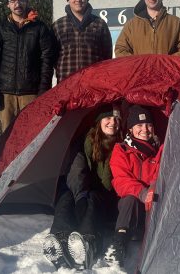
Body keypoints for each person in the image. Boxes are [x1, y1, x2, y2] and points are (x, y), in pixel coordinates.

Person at [43, 105, 122, 270]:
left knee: (94, 198)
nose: (112, 122)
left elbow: (111, 183)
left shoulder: (123, 144)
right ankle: (60, 238)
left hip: (110, 196)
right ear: (99, 121)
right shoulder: (87, 141)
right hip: (86, 190)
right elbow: (77, 171)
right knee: (66, 195)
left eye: (116, 119)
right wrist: (80, 197)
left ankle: (88, 241)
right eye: (108, 118)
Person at [0, 0, 56, 131]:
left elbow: (47, 60)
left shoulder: (39, 27)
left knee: (30, 136)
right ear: (8, 4)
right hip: (6, 94)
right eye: (12, 1)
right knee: (7, 140)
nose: (17, 4)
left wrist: (44, 89)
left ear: (26, 1)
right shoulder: (1, 28)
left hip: (30, 93)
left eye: (20, 0)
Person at [105, 105, 164, 267]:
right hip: (129, 211)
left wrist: (153, 186)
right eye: (139, 125)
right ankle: (119, 244)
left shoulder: (161, 149)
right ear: (130, 129)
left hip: (152, 211)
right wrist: (142, 192)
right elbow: (121, 180)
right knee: (129, 199)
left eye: (148, 125)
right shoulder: (122, 150)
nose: (145, 129)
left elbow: (163, 174)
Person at [52, 0, 112, 82]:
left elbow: (107, 56)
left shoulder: (99, 24)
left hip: (93, 83)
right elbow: (52, 57)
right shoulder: (58, 26)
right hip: (66, 84)